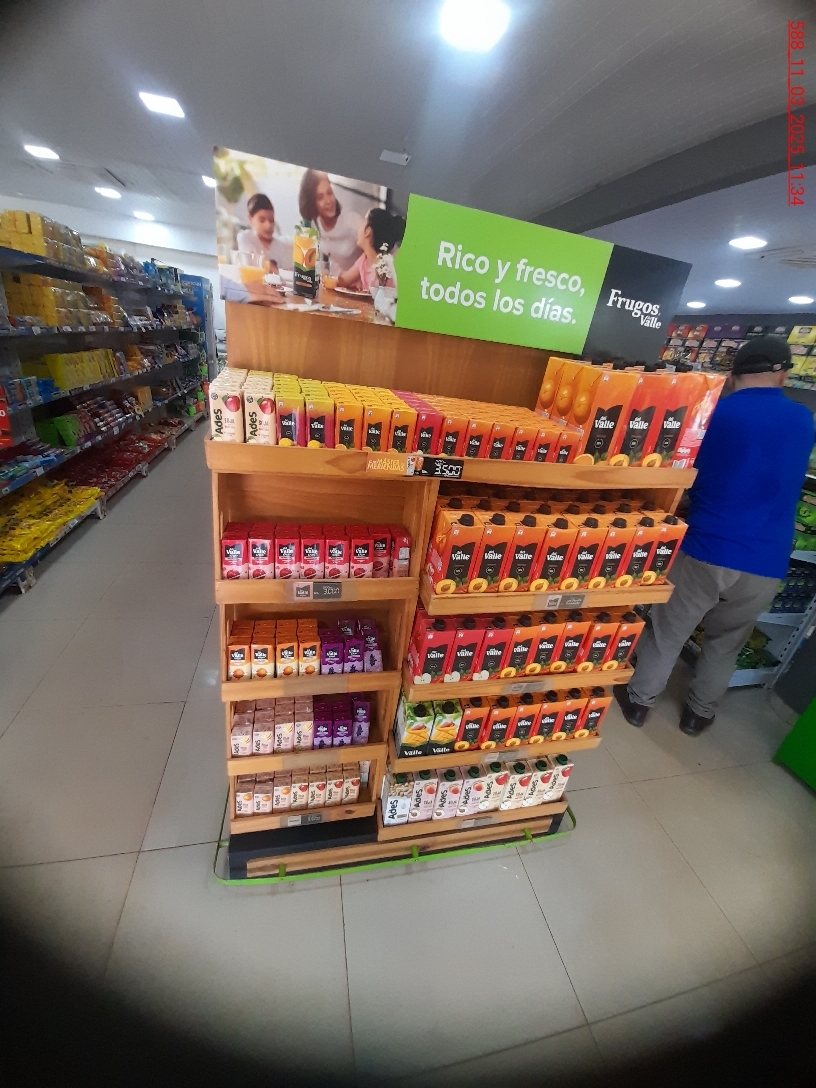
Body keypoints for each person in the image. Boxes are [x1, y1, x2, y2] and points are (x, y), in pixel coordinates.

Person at [615, 335, 814, 736]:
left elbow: (690, 475)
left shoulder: (713, 413)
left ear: (733, 373)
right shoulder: (805, 420)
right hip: (767, 559)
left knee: (669, 630)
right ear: (782, 373)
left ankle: (639, 702)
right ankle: (698, 715)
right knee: (728, 641)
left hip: (708, 546)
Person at [298, 170, 363, 274]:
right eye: (320, 198)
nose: (328, 201)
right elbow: (306, 267)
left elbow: (375, 252)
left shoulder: (352, 221)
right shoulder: (311, 226)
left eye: (329, 193)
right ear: (312, 203)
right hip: (329, 283)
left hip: (357, 283)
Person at [336, 207, 405, 293]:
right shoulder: (364, 260)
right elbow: (343, 280)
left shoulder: (385, 268)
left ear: (367, 231)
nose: (359, 227)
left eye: (363, 222)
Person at [235, 193, 291, 270]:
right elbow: (251, 264)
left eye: (271, 220)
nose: (268, 225)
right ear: (250, 219)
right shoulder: (245, 238)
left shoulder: (282, 246)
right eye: (262, 220)